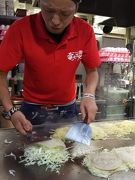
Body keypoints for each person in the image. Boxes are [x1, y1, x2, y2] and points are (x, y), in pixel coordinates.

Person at [0, 0, 101, 135]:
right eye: (48, 10)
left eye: (65, 13)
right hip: (31, 108)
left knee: (68, 152)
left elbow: (92, 71)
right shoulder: (21, 28)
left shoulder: (85, 31)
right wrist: (11, 110)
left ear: (76, 9)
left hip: (68, 108)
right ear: (39, 3)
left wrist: (89, 95)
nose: (55, 21)